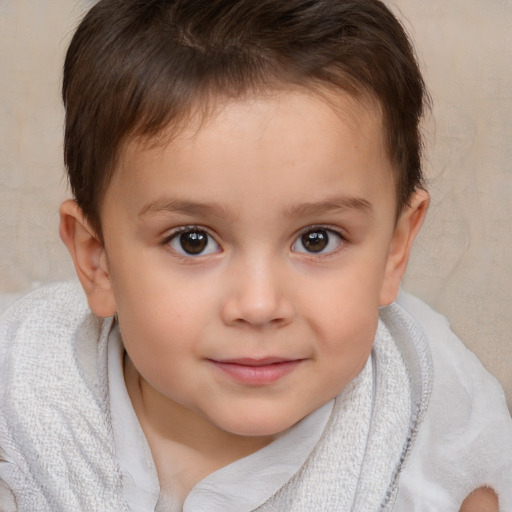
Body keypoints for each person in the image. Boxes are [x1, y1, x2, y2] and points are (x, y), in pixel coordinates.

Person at [1, 0, 511, 510]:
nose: (260, 304)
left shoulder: (432, 413)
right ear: (98, 261)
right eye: (193, 241)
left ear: (394, 250)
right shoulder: (23, 400)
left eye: (317, 239)